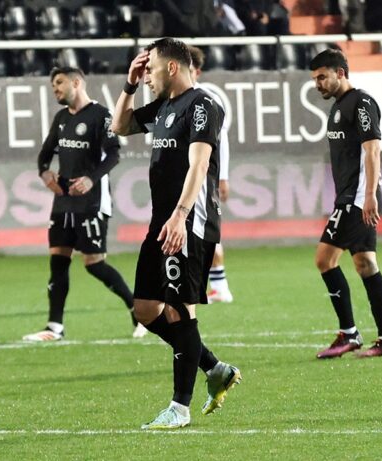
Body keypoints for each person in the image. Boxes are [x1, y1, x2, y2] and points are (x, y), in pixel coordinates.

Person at [112, 38, 241, 430]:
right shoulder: (164, 106)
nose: (148, 77)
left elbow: (199, 164)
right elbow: (120, 126)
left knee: (179, 310)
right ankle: (214, 368)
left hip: (189, 221)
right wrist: (130, 83)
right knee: (144, 308)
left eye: (150, 70)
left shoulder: (202, 105)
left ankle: (179, 409)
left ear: (171, 67)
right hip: (162, 221)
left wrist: (181, 215)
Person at [22, 66, 147, 342]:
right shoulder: (61, 118)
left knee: (94, 264)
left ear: (76, 82)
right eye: (53, 85)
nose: (55, 89)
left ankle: (139, 313)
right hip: (63, 202)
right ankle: (54, 327)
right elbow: (44, 154)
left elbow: (114, 154)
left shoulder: (101, 115)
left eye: (59, 83)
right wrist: (45, 174)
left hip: (91, 201)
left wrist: (91, 179)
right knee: (58, 261)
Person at [309, 48, 382, 359]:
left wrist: (369, 195)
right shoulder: (338, 107)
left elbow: (372, 149)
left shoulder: (361, 103)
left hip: (358, 197)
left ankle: (349, 333)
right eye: (315, 79)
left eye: (322, 77)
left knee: (324, 259)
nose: (318, 84)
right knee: (365, 264)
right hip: (353, 195)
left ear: (341, 73)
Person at [187, 46, 234, 304]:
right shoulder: (179, 98)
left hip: (205, 177)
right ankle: (217, 285)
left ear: (197, 71)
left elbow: (221, 140)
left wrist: (223, 177)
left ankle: (219, 285)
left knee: (205, 230)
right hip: (188, 176)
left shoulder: (206, 99)